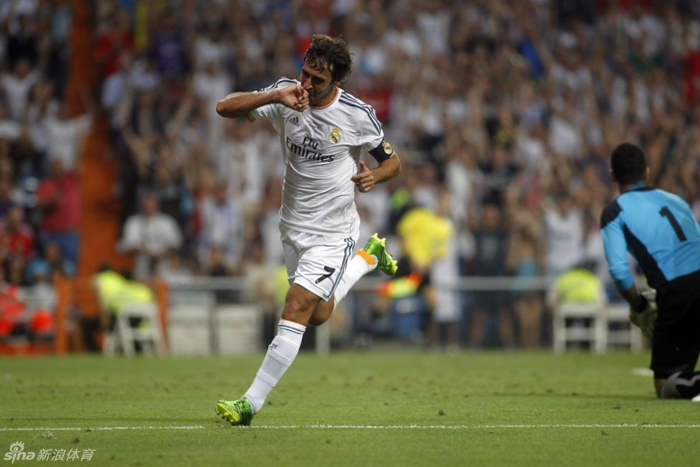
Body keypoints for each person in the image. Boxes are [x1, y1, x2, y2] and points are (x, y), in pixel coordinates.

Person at [213, 34, 401, 425]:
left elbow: (393, 162)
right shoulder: (285, 95)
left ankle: (250, 403)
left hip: (334, 231)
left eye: (318, 79)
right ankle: (369, 258)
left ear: (338, 82)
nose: (307, 85)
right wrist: (273, 98)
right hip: (293, 226)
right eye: (305, 74)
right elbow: (223, 107)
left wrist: (375, 177)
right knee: (317, 314)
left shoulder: (356, 114)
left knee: (296, 304)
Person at [600, 143, 700, 399]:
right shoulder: (676, 199)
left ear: (612, 175)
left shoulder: (615, 211)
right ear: (646, 172)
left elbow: (620, 272)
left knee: (665, 384)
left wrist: (639, 304)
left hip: (678, 290)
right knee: (683, 370)